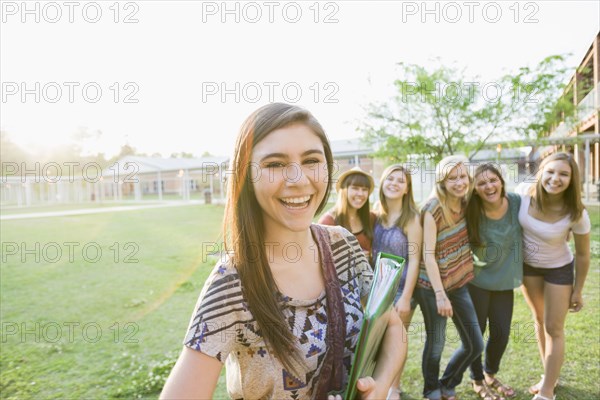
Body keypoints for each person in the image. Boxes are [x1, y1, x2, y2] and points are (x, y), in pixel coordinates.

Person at [160, 103, 406, 400]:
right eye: (275, 164)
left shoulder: (343, 245)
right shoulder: (233, 282)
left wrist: (379, 387)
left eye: (311, 160)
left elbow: (393, 327)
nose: (298, 179)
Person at [519, 152, 591, 400]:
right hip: (528, 268)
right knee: (539, 320)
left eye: (563, 174)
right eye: (550, 171)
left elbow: (583, 255)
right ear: (541, 173)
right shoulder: (523, 194)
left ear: (572, 180)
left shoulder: (577, 213)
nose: (555, 178)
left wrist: (578, 290)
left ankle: (547, 392)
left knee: (554, 327)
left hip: (559, 269)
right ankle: (549, 376)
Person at [414, 155, 484, 400]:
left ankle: (448, 382)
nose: (458, 182)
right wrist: (440, 295)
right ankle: (431, 390)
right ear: (442, 181)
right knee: (436, 344)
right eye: (452, 178)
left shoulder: (466, 203)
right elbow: (428, 255)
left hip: (459, 282)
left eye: (462, 176)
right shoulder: (432, 209)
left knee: (475, 344)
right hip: (433, 287)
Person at [465, 163, 523, 400]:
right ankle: (477, 380)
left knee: (501, 333)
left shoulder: (517, 202)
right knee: (475, 335)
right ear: (475, 189)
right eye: (481, 183)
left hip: (504, 281)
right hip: (476, 281)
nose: (489, 186)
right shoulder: (470, 209)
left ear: (501, 181)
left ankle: (490, 373)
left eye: (493, 180)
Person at [371, 164, 422, 400]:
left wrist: (406, 297)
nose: (393, 183)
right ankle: (376, 385)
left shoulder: (411, 218)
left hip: (400, 289)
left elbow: (415, 260)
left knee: (397, 340)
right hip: (377, 288)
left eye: (400, 181)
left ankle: (395, 388)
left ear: (406, 189)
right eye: (389, 179)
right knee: (377, 340)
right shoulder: (376, 214)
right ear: (382, 183)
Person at [318, 166, 376, 263]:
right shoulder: (328, 222)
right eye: (355, 188)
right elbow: (321, 260)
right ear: (344, 190)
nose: (360, 193)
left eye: (364, 189)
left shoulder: (371, 218)